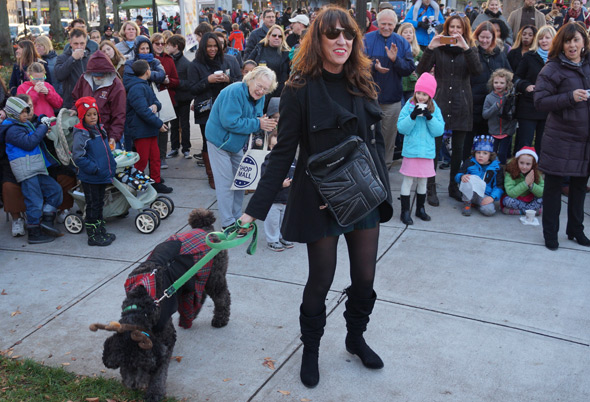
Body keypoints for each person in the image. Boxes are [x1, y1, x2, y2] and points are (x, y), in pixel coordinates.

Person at [240, 6, 393, 389]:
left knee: (364, 279)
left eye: (348, 35)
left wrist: (381, 187)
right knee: (320, 280)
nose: (342, 41)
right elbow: (282, 153)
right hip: (320, 196)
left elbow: (371, 141)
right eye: (333, 35)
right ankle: (310, 349)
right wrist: (252, 212)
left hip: (362, 193)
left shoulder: (361, 78)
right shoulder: (298, 88)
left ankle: (355, 339)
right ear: (318, 40)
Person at [533, 22, 590, 250]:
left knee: (579, 188)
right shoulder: (552, 68)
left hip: (585, 140)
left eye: (576, 40)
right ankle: (550, 234)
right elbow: (539, 101)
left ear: (584, 42)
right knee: (554, 188)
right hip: (561, 138)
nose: (572, 45)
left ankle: (576, 229)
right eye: (568, 41)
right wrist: (569, 97)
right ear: (561, 44)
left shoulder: (588, 66)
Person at [416, 14, 482, 205]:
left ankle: (454, 186)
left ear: (464, 30)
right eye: (452, 27)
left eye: (459, 28)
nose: (455, 31)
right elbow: (421, 70)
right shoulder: (438, 49)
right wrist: (430, 47)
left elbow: (477, 71)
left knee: (459, 150)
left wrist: (466, 48)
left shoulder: (469, 48)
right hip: (441, 101)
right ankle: (430, 188)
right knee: (434, 148)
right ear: (446, 29)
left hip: (462, 102)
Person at [205, 66, 276, 229]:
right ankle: (228, 223)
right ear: (250, 79)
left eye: (265, 89)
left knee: (240, 182)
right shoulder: (234, 91)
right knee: (225, 184)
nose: (261, 91)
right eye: (259, 85)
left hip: (236, 143)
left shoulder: (261, 97)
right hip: (219, 142)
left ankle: (237, 216)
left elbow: (256, 119)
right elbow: (230, 122)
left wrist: (264, 124)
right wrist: (258, 123)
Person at [0, 97, 62, 243]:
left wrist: (43, 120)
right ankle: (34, 231)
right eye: (22, 112)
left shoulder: (24, 124)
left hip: (36, 167)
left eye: (26, 111)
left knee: (55, 190)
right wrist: (43, 127)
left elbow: (35, 123)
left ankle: (46, 221)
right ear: (13, 114)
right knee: (34, 200)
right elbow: (29, 142)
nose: (26, 115)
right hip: (26, 170)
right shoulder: (11, 130)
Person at [188, 33, 242, 189]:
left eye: (214, 46)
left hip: (228, 108)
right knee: (208, 142)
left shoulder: (230, 60)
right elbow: (192, 89)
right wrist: (207, 81)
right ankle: (212, 176)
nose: (212, 49)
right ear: (203, 47)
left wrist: (228, 80)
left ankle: (230, 174)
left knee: (229, 140)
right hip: (206, 109)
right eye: (208, 46)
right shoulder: (195, 65)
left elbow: (240, 81)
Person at [364, 9, 415, 169]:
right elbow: (357, 64)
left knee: (388, 136)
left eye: (390, 24)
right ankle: (367, 164)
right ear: (377, 23)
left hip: (392, 98)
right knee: (367, 134)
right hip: (368, 97)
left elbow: (408, 68)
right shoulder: (367, 39)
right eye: (383, 24)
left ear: (395, 24)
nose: (386, 27)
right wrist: (374, 66)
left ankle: (385, 165)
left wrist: (395, 60)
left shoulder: (401, 42)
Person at [396, 72, 445, 225]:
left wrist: (429, 117)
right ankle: (405, 211)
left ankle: (420, 208)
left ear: (430, 95)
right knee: (408, 181)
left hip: (426, 152)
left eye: (425, 94)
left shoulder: (434, 108)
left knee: (423, 181)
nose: (421, 97)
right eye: (418, 93)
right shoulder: (409, 106)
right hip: (411, 151)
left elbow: (439, 130)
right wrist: (412, 116)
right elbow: (401, 128)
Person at [71, 96, 117, 246]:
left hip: (102, 175)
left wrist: (112, 164)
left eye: (95, 114)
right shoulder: (81, 134)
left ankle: (100, 230)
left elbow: (105, 151)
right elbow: (78, 157)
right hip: (91, 177)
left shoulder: (99, 129)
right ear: (82, 116)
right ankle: (93, 235)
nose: (92, 117)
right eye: (89, 114)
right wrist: (94, 168)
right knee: (92, 204)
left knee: (99, 203)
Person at [124, 60, 172, 194]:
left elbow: (156, 101)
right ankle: (136, 184)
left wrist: (157, 106)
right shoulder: (136, 88)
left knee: (155, 156)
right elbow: (142, 111)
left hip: (149, 128)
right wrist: (158, 124)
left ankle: (155, 181)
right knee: (142, 160)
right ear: (147, 72)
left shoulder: (144, 85)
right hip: (141, 130)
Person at [466, 21, 512, 161]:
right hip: (474, 104)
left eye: (488, 37)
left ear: (493, 38)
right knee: (471, 142)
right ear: (477, 36)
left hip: (494, 109)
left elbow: (509, 75)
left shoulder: (499, 54)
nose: (484, 40)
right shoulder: (472, 52)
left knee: (489, 147)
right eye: (482, 37)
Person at [513, 25, 555, 156]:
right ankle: (518, 173)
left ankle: (539, 174)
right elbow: (516, 77)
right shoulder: (529, 56)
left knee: (543, 144)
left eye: (547, 38)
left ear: (554, 39)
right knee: (524, 143)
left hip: (549, 107)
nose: (544, 41)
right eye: (541, 38)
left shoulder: (558, 59)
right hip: (528, 106)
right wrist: (525, 85)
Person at [261, 98, 296, 252]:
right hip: (274, 199)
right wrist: (279, 184)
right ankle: (272, 239)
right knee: (272, 221)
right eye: (274, 147)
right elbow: (265, 179)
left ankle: (283, 236)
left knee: (285, 220)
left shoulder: (292, 159)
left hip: (287, 198)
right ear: (269, 146)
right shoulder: (269, 161)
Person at [72, 50, 126, 148]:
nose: (98, 78)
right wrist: (75, 110)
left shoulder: (116, 86)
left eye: (101, 75)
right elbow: (77, 99)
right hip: (85, 132)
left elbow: (119, 114)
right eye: (95, 75)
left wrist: (113, 137)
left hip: (107, 132)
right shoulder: (84, 79)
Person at [455, 135, 503, 216]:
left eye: (485, 153)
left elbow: (499, 186)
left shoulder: (496, 167)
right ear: (474, 153)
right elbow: (459, 174)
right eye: (478, 152)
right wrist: (461, 177)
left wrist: (492, 197)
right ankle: (467, 203)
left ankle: (477, 204)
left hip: (485, 194)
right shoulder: (469, 162)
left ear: (490, 155)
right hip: (470, 192)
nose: (481, 155)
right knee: (467, 177)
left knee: (489, 211)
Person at [151, 33, 179, 169]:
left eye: (163, 43)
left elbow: (176, 80)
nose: (160, 46)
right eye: (157, 43)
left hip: (164, 97)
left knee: (163, 129)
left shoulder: (169, 59)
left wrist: (168, 81)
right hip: (149, 97)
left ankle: (161, 156)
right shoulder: (146, 59)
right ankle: (153, 156)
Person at [165, 35, 192, 167]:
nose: (167, 47)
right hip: (172, 98)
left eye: (169, 45)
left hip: (183, 98)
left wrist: (176, 83)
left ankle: (186, 148)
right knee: (174, 124)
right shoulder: (168, 60)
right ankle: (174, 147)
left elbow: (190, 82)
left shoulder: (186, 63)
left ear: (176, 46)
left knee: (185, 124)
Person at [247, 25, 291, 103]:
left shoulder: (287, 53)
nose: (277, 38)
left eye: (280, 36)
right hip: (259, 90)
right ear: (268, 36)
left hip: (278, 92)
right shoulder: (259, 48)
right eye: (274, 35)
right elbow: (249, 63)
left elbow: (290, 73)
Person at [482, 68, 516, 164]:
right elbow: (485, 115)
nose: (498, 85)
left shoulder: (511, 97)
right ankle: (492, 172)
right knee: (492, 154)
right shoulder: (489, 97)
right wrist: (495, 107)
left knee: (502, 155)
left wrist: (510, 131)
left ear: (507, 84)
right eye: (496, 82)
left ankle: (501, 173)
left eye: (502, 83)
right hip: (494, 131)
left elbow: (514, 115)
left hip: (506, 132)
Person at [54, 28, 90, 109]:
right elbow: (59, 75)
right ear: (70, 43)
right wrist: (72, 59)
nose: (79, 47)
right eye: (76, 44)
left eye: (82, 43)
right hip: (71, 102)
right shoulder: (62, 58)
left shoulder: (90, 58)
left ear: (86, 43)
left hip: (88, 101)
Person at [501, 146, 544, 215]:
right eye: (521, 163)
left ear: (533, 164)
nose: (524, 167)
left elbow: (542, 192)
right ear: (517, 161)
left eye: (528, 164)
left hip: (530, 199)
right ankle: (531, 211)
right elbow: (510, 193)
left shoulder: (537, 173)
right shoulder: (510, 171)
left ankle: (519, 211)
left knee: (542, 199)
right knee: (507, 201)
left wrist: (531, 185)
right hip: (516, 199)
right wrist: (525, 183)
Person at [398, 23, 423, 102]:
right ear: (400, 34)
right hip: (399, 85)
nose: (408, 34)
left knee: (410, 108)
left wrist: (418, 73)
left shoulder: (418, 52)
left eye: (410, 32)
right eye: (405, 32)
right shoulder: (395, 49)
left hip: (412, 85)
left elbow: (424, 66)